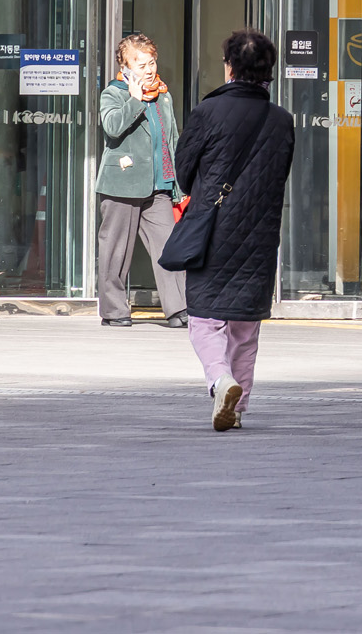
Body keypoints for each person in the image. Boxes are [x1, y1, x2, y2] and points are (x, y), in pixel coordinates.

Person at [174, 28, 295, 432]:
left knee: (205, 319)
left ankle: (220, 380)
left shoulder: (206, 113)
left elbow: (185, 175)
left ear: (230, 67)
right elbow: (280, 175)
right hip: (260, 236)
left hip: (213, 231)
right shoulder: (282, 121)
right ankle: (237, 407)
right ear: (268, 71)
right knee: (245, 326)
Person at [96, 33, 187, 328]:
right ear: (125, 65)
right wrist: (134, 101)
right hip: (122, 183)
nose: (148, 69)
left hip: (158, 184)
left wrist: (178, 184)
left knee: (169, 247)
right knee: (115, 251)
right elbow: (112, 128)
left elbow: (171, 139)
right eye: (141, 63)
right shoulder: (114, 93)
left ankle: (179, 309)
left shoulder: (163, 94)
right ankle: (114, 310)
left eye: (152, 62)